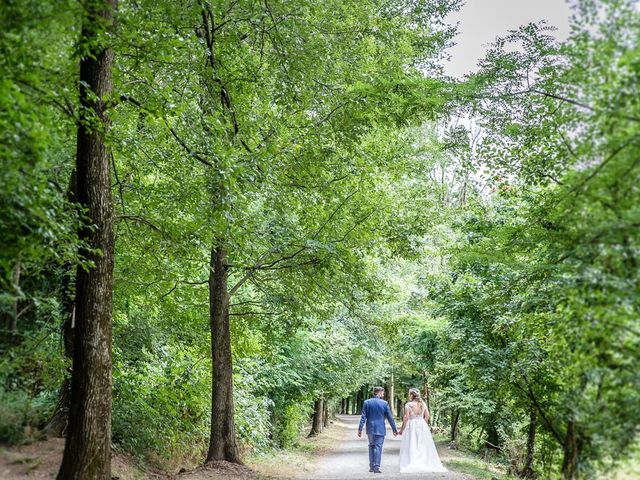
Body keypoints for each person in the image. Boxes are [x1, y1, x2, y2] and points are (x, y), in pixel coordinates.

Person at [398, 387, 447, 473]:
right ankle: (423, 461)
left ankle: (412, 461)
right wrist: (422, 424)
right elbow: (427, 416)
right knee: (422, 444)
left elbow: (406, 417)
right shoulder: (423, 404)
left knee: (412, 443)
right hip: (422, 425)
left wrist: (402, 430)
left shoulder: (408, 405)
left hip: (412, 425)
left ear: (410, 395)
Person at [357, 386, 398, 474]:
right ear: (378, 392)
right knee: (378, 447)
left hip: (370, 428)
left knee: (371, 446)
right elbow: (390, 417)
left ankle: (371, 466)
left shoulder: (367, 402)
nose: (383, 394)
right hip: (380, 429)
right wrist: (394, 429)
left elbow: (363, 417)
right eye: (382, 392)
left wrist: (360, 429)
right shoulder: (384, 403)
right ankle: (376, 467)